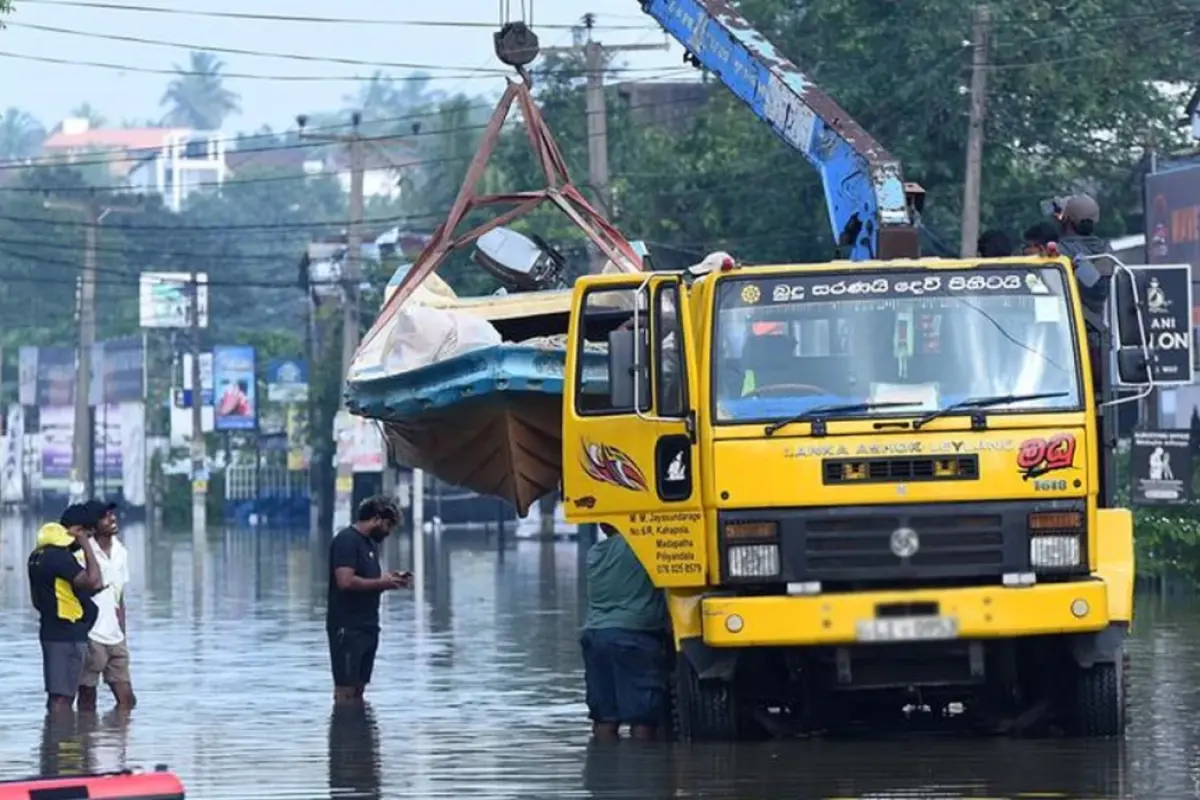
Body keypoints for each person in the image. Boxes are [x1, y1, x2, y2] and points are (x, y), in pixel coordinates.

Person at [580, 524, 668, 741]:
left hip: (595, 635)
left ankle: (604, 768)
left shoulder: (594, 554)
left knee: (604, 717)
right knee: (643, 718)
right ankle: (645, 765)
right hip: (633, 635)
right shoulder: (639, 545)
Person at [327, 496, 410, 705]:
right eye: (388, 525)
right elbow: (345, 581)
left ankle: (360, 735)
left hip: (368, 625)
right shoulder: (347, 541)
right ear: (376, 519)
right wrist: (382, 583)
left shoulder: (370, 545)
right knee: (345, 690)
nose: (388, 531)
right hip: (347, 626)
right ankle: (344, 733)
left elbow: (369, 581)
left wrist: (389, 580)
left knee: (359, 689)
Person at [28, 505, 102, 713]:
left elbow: (36, 600)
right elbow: (94, 581)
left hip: (51, 629)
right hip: (66, 632)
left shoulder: (37, 556)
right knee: (63, 697)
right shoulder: (58, 557)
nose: (88, 538)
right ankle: (61, 740)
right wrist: (86, 545)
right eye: (87, 534)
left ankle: (55, 740)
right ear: (77, 530)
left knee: (58, 694)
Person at [77, 500, 135, 712]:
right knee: (87, 697)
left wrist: (123, 632)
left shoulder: (121, 551)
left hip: (115, 635)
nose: (112, 519)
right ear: (93, 525)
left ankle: (117, 739)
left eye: (112, 514)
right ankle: (86, 740)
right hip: (92, 634)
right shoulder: (83, 552)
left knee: (127, 700)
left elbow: (120, 596)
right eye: (105, 516)